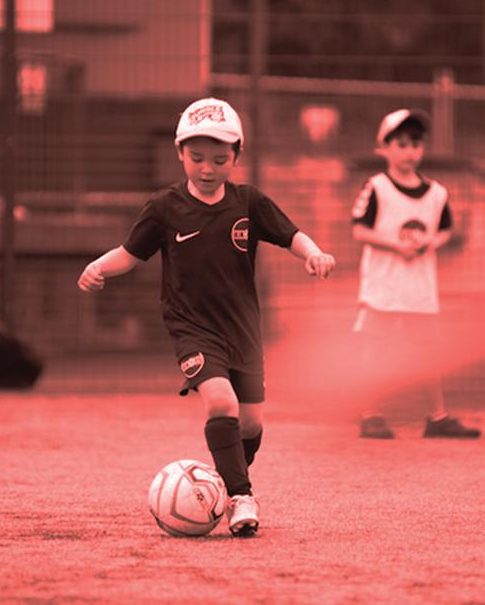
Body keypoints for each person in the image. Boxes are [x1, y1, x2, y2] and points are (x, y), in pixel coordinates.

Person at [78, 97, 335, 537]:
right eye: (197, 157)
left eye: (219, 159)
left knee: (250, 423)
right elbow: (129, 253)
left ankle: (221, 479)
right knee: (221, 403)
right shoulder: (164, 207)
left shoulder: (249, 202)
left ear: (236, 156)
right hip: (192, 328)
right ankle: (240, 496)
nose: (207, 168)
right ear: (180, 153)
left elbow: (292, 234)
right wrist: (97, 267)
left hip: (244, 330)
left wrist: (314, 253)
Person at [351, 109, 481, 440]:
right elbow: (359, 230)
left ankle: (437, 417)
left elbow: (446, 230)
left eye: (416, 144)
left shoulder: (437, 193)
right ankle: (370, 413)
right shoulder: (377, 187)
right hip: (383, 286)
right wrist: (397, 245)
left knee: (427, 351)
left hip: (419, 288)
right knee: (375, 349)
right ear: (384, 148)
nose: (410, 151)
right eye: (401, 144)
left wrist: (430, 243)